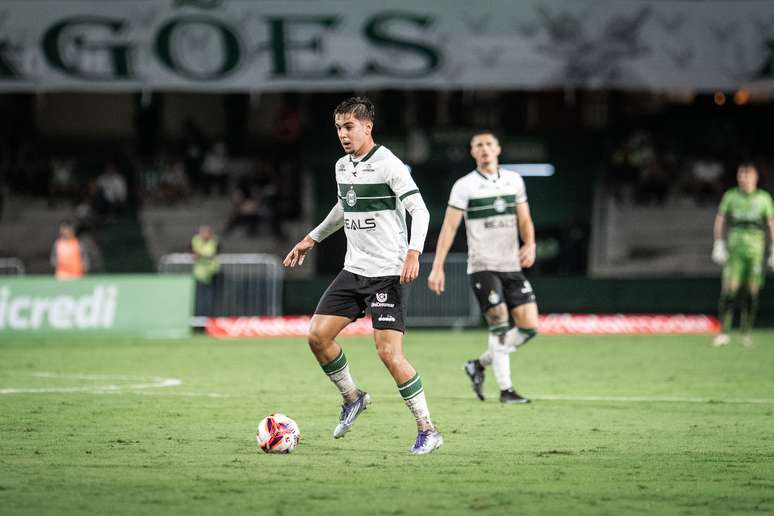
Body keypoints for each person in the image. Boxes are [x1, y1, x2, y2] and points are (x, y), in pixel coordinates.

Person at [283, 96, 442, 455]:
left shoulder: (389, 165)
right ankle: (353, 397)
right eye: (338, 127)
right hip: (354, 270)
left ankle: (427, 429)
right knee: (317, 337)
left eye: (349, 126)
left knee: (389, 354)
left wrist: (414, 252)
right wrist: (312, 238)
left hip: (387, 274)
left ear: (367, 126)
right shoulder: (342, 167)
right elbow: (344, 206)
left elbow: (421, 210)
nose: (342, 133)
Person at [428, 131, 538, 404]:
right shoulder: (464, 186)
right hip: (482, 265)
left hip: (511, 264)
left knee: (529, 327)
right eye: (479, 145)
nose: (485, 149)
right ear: (472, 152)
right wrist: (437, 266)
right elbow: (450, 227)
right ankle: (506, 390)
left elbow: (524, 218)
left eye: (489, 144)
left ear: (498, 149)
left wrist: (531, 243)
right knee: (499, 321)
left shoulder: (514, 180)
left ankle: (478, 364)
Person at [711, 163, 774, 347]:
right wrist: (718, 244)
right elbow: (720, 220)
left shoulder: (764, 199)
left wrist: (773, 249)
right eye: (740, 175)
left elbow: (771, 224)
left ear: (755, 178)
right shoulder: (731, 196)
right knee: (730, 290)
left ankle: (746, 332)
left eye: (746, 176)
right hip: (735, 251)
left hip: (755, 252)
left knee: (752, 292)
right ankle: (724, 331)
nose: (742, 179)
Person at [191, 225, 221, 316]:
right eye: (202, 232)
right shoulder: (196, 240)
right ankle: (199, 321)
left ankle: (210, 319)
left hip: (213, 273)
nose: (204, 234)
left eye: (206, 232)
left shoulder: (215, 241)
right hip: (200, 275)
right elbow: (196, 253)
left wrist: (201, 255)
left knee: (212, 299)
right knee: (199, 299)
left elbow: (211, 253)